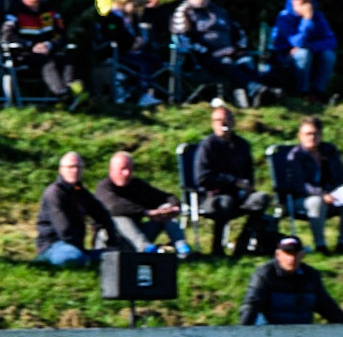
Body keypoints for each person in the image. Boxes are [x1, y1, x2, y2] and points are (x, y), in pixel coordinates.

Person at [170, 0, 264, 108]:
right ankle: (255, 90)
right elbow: (183, 40)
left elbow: (239, 33)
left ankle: (257, 99)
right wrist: (212, 52)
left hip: (229, 55)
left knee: (246, 61)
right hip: (201, 60)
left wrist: (236, 48)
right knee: (227, 63)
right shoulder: (183, 12)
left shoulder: (220, 11)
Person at [0, 0, 87, 109]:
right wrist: (31, 46)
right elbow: (7, 35)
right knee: (46, 62)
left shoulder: (50, 10)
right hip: (24, 55)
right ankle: (64, 96)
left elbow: (62, 34)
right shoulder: (14, 11)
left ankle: (71, 94)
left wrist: (49, 45)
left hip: (48, 51)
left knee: (66, 59)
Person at [192, 105, 272, 257]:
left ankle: (242, 243)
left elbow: (249, 173)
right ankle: (217, 248)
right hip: (211, 197)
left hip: (239, 195)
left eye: (227, 120)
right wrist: (232, 181)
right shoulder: (208, 146)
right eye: (219, 120)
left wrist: (249, 187)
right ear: (212, 124)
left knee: (261, 198)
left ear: (234, 122)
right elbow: (202, 178)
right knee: (225, 202)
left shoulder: (242, 145)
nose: (224, 124)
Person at [93, 151, 190, 258]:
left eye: (129, 169)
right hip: (112, 242)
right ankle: (146, 249)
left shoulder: (137, 185)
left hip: (137, 237)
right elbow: (114, 207)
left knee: (166, 213)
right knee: (118, 218)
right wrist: (146, 212)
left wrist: (173, 206)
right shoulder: (104, 188)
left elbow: (164, 197)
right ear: (111, 170)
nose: (127, 173)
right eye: (123, 169)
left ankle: (182, 248)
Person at [35, 152, 116, 266]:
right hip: (54, 245)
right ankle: (45, 260)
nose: (75, 170)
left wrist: (112, 241)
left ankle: (88, 259)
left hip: (77, 247)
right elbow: (64, 229)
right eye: (71, 167)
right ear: (61, 169)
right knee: (72, 257)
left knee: (117, 256)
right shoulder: (54, 193)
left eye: (78, 167)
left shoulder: (82, 193)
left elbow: (103, 215)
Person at [240, 235, 343, 325]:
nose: (292, 259)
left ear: (302, 255)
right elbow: (251, 306)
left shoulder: (311, 276)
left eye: (295, 253)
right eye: (287, 253)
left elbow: (327, 307)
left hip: (302, 335)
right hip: (271, 335)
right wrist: (243, 333)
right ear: (278, 255)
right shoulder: (264, 275)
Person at [283, 116, 343, 254]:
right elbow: (300, 185)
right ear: (300, 136)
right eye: (308, 134)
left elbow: (339, 175)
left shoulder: (329, 151)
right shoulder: (295, 156)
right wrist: (323, 195)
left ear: (321, 134)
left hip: (331, 194)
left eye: (315, 133)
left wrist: (336, 192)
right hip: (302, 198)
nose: (312, 137)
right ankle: (320, 245)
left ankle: (341, 243)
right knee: (316, 202)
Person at [271, 0, 336, 100]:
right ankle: (302, 92)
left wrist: (311, 46)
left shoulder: (318, 17)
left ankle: (317, 92)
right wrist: (306, 19)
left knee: (328, 55)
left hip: (311, 55)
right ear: (291, 0)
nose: (301, 2)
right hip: (286, 59)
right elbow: (298, 42)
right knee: (303, 54)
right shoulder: (284, 17)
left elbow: (331, 41)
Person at [106, 0, 162, 107]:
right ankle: (143, 94)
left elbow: (135, 34)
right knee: (143, 64)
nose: (137, 9)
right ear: (126, 1)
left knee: (154, 60)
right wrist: (131, 43)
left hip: (132, 51)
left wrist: (140, 41)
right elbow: (113, 35)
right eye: (136, 6)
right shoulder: (113, 17)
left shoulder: (131, 17)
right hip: (119, 53)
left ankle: (149, 92)